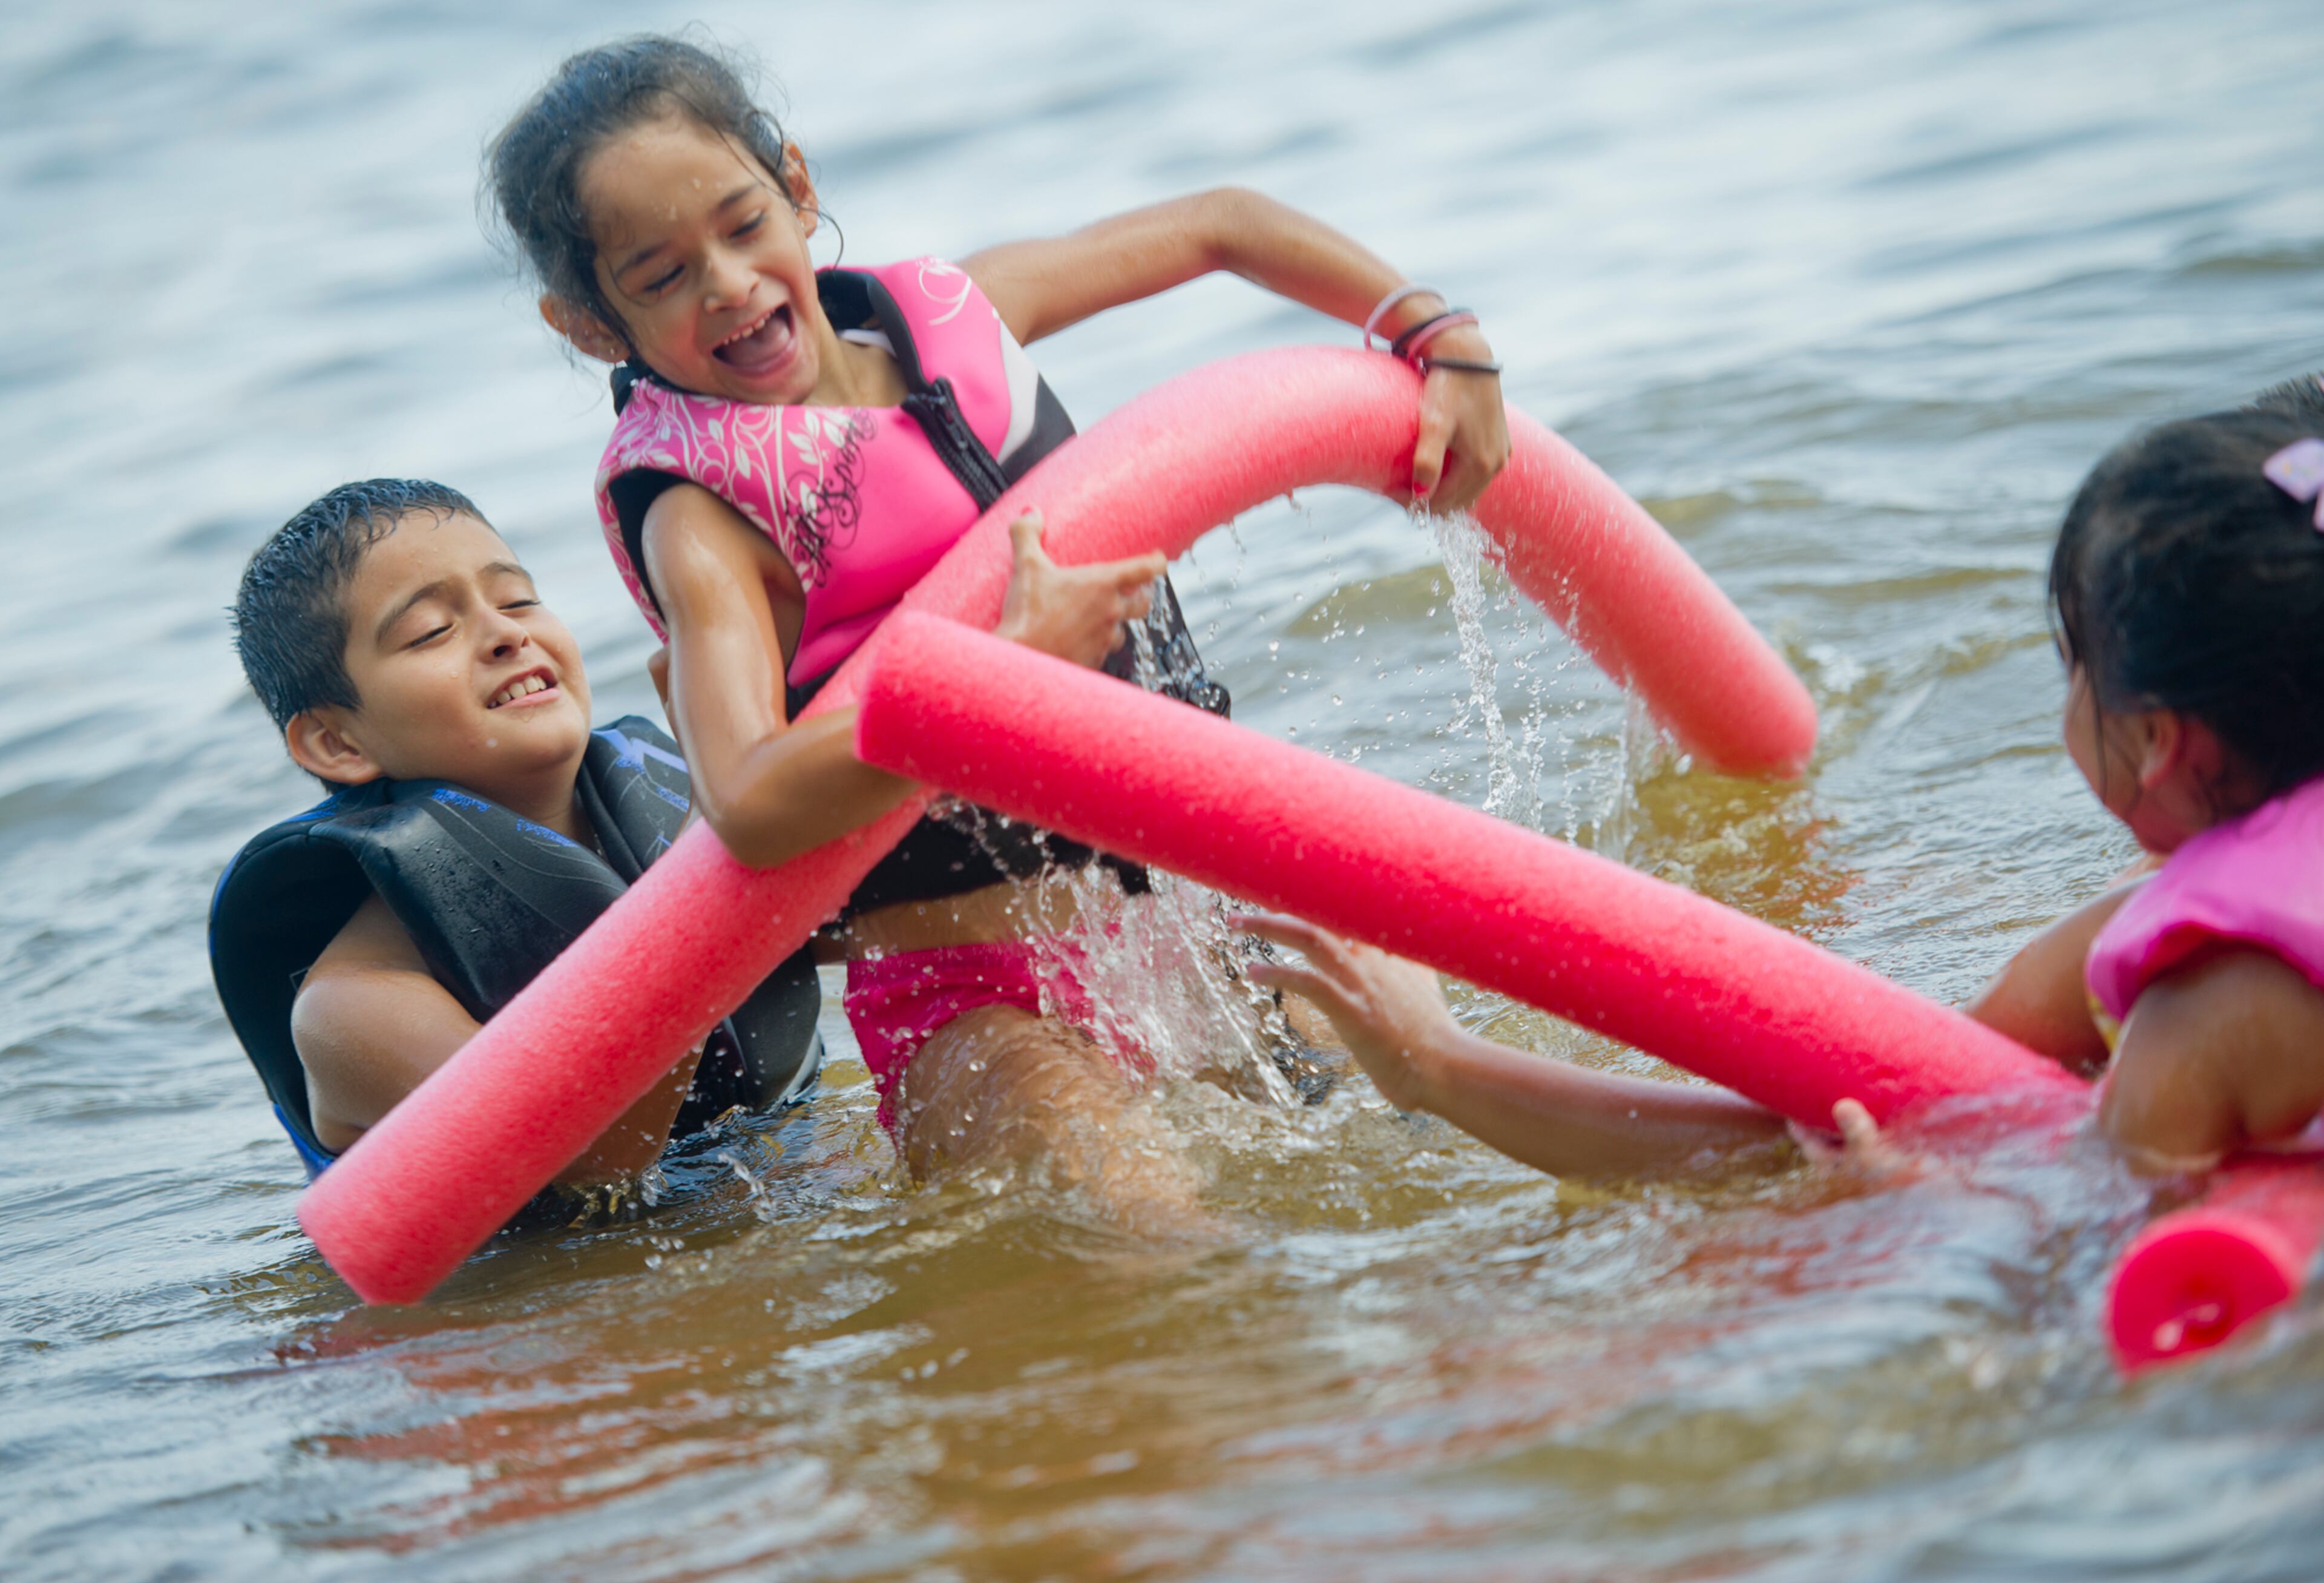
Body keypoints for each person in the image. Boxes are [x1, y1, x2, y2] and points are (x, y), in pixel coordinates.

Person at [483, 36, 1512, 1208]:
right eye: (660, 277)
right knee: (1162, 1249)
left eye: (741, 221)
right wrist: (999, 671)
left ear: (798, 186)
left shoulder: (951, 318)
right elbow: (753, 800)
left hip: (1206, 912)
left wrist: (1434, 330)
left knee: (1450, 1156)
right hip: (973, 999)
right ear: (592, 325)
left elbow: (1221, 223)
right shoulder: (700, 518)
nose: (726, 281)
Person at [1242, 400, 2324, 1182]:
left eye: (2075, 663)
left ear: (2156, 741)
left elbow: (2092, 1280)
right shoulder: (2159, 926)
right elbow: (1880, 1085)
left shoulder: (2203, 1017)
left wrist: (1911, 1208)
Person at [210, 479, 821, 1220]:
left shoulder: (681, 798)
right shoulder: (354, 1006)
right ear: (337, 741)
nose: (507, 633)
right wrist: (721, 826)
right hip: (541, 1309)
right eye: (432, 630)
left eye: (519, 599)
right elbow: (598, 1153)